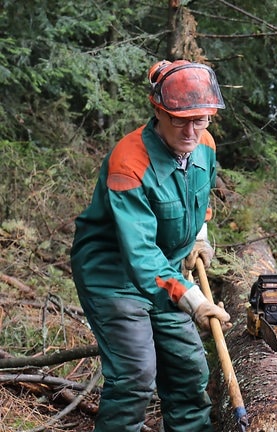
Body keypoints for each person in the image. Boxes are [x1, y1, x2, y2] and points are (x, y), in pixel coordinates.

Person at [70, 59, 232, 431]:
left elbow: (198, 199)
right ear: (158, 111)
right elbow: (140, 257)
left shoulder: (204, 146)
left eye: (201, 119)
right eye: (180, 120)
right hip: (114, 276)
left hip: (167, 276)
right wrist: (195, 302)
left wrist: (199, 238)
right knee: (135, 375)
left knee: (189, 372)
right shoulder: (129, 163)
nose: (191, 130)